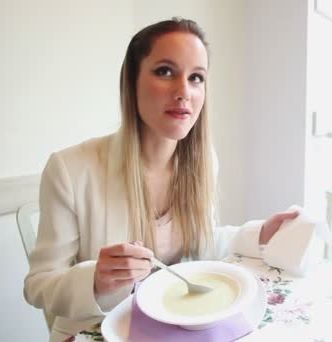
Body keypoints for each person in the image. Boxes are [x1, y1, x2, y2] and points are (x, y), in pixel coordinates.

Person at [23, 17, 299, 342]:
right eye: (165, 71)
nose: (184, 91)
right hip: (95, 330)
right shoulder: (69, 169)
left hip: (178, 327)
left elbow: (203, 242)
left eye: (196, 78)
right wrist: (96, 280)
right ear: (132, 81)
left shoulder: (203, 160)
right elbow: (38, 285)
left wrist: (259, 234)